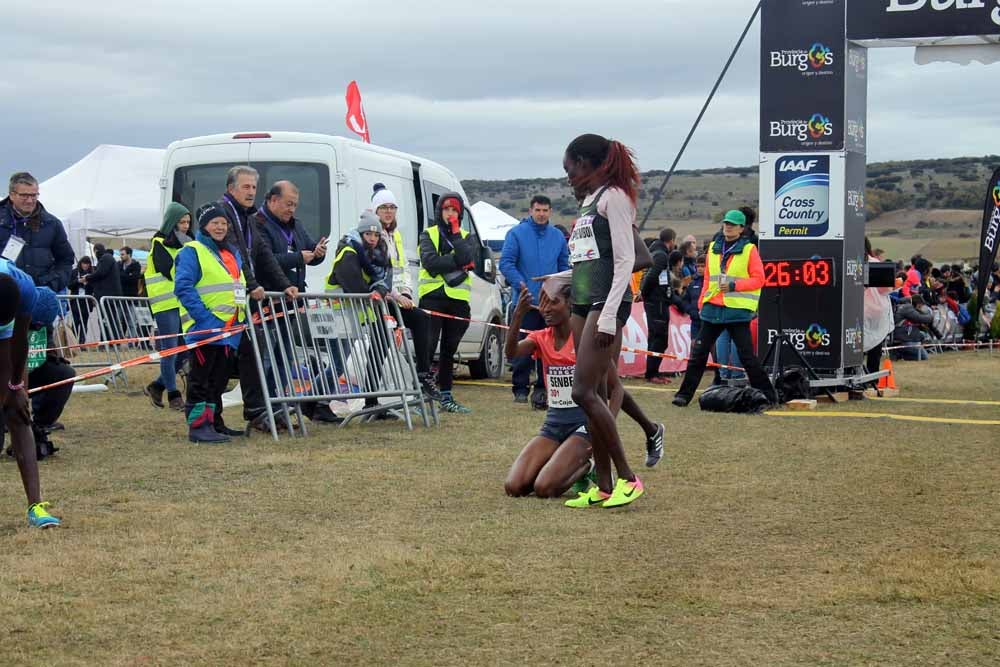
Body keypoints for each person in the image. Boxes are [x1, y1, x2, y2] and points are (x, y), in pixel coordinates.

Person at [561, 133, 645, 508]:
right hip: (581, 301)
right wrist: (559, 280)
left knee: (582, 391)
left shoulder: (615, 198)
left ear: (586, 163)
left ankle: (629, 478)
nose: (568, 177)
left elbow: (626, 261)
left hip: (604, 304)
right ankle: (605, 485)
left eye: (570, 169)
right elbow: (588, 260)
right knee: (590, 395)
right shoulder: (588, 203)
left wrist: (609, 314)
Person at [215, 166, 297, 432]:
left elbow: (262, 254)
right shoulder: (223, 213)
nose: (251, 192)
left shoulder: (248, 217)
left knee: (253, 350)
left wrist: (286, 285)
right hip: (223, 298)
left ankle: (256, 410)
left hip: (243, 297)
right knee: (221, 359)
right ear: (231, 188)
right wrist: (252, 284)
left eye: (253, 187)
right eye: (245, 187)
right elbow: (233, 251)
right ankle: (211, 417)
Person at [672, 209, 778, 407]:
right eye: (726, 223)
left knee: (747, 357)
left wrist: (733, 286)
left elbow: (760, 279)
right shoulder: (713, 248)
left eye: (732, 224)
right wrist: (702, 302)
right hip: (712, 308)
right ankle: (683, 396)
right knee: (698, 354)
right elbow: (707, 279)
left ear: (741, 228)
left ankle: (769, 397)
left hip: (736, 311)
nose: (728, 226)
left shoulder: (749, 250)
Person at [504, 279, 592, 498]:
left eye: (554, 302)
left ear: (570, 304)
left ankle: (586, 468)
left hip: (584, 426)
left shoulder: (583, 337)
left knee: (545, 488)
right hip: (553, 425)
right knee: (514, 487)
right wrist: (518, 314)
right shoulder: (541, 338)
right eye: (543, 303)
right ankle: (560, 461)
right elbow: (511, 353)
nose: (546, 309)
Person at [173, 203, 248, 443]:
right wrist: (206, 319)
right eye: (215, 223)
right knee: (200, 380)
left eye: (224, 223)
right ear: (204, 226)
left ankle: (215, 421)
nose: (220, 227)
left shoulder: (231, 253)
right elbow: (183, 287)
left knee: (219, 380)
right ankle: (198, 426)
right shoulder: (192, 251)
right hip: (205, 328)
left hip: (230, 329)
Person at [0, 259, 61, 527]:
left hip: (9, 330)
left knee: (19, 410)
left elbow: (19, 341)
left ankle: (35, 505)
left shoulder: (25, 289)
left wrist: (15, 387)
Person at [500, 194, 570, 407]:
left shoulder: (558, 237)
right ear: (530, 211)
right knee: (524, 347)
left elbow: (564, 267)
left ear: (550, 212)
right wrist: (521, 286)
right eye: (537, 210)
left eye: (545, 210)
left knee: (550, 348)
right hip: (527, 303)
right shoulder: (516, 234)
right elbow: (506, 263)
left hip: (551, 304)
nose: (541, 214)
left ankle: (543, 389)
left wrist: (560, 291)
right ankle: (520, 389)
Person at [370, 184, 439, 399]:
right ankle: (370, 399)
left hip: (396, 298)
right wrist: (396, 295)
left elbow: (402, 268)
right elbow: (376, 272)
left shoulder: (395, 235)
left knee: (420, 319)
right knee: (378, 348)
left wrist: (407, 293)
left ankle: (423, 373)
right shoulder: (372, 235)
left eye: (392, 207)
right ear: (375, 211)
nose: (389, 211)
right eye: (383, 207)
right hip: (379, 299)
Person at [326, 212, 395, 419]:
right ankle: (315, 400)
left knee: (380, 345)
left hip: (362, 312)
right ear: (360, 233)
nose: (372, 238)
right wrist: (373, 292)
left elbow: (380, 280)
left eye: (376, 235)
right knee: (338, 362)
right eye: (368, 234)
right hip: (342, 311)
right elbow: (353, 284)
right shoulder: (349, 251)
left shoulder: (373, 255)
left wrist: (380, 290)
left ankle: (371, 401)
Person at [418, 193, 477, 414]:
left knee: (448, 351)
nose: (450, 213)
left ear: (459, 213)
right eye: (446, 209)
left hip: (458, 301)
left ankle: (446, 396)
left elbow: (467, 256)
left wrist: (455, 237)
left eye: (454, 210)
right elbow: (430, 263)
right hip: (432, 296)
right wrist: (459, 262)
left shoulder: (465, 235)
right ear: (439, 212)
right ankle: (422, 397)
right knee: (428, 347)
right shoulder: (428, 234)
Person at [143, 202, 192, 411]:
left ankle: (157, 385)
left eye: (188, 222)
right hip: (166, 305)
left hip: (182, 305)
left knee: (184, 351)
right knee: (170, 351)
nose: (185, 226)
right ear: (172, 222)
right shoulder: (160, 244)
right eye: (182, 222)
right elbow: (172, 272)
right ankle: (173, 395)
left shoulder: (187, 243)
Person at [0, 172, 75, 293]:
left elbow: (66, 260)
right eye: (24, 195)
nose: (30, 200)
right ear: (12, 195)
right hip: (4, 296)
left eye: (34, 195)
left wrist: (51, 284)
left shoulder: (52, 224)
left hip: (40, 294)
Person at [25, 289, 76, 459]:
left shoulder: (43, 316)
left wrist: (53, 357)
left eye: (42, 324)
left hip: (27, 370)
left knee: (64, 374)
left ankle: (41, 424)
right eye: (35, 323)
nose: (38, 327)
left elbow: (46, 348)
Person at [253, 180, 327, 293]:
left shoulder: (296, 224)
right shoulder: (257, 223)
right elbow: (265, 260)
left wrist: (319, 253)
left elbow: (311, 249)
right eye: (289, 204)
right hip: (271, 298)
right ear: (273, 200)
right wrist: (299, 258)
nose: (292, 210)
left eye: (295, 205)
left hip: (297, 297)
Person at [640, 229, 679, 384]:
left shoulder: (655, 252)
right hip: (658, 303)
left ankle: (653, 371)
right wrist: (646, 293)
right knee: (659, 339)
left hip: (656, 301)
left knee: (656, 338)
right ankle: (652, 373)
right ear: (671, 240)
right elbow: (651, 276)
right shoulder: (661, 255)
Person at [863, 236, 894, 375]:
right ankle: (871, 377)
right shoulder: (875, 263)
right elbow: (886, 289)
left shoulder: (849, 262)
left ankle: (855, 374)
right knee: (875, 348)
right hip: (877, 311)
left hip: (858, 311)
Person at [87, 243, 125, 340]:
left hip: (107, 295)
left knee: (107, 319)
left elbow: (101, 273)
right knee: (107, 319)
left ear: (96, 251)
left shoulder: (106, 258)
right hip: (107, 295)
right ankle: (109, 339)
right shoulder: (107, 258)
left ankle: (109, 340)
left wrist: (88, 277)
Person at [891, 295, 934, 361]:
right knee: (923, 357)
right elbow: (920, 318)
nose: (921, 308)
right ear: (917, 303)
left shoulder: (905, 307)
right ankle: (900, 352)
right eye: (920, 305)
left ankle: (899, 353)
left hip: (904, 337)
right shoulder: (907, 308)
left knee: (922, 336)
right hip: (905, 338)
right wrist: (931, 316)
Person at [68, 256, 95, 341]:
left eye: (87, 264)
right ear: (80, 263)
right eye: (84, 263)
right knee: (75, 322)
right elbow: (69, 285)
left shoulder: (92, 273)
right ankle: (74, 342)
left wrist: (87, 283)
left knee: (84, 322)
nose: (85, 266)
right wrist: (78, 281)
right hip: (75, 300)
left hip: (86, 301)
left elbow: (94, 287)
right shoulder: (74, 272)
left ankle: (82, 343)